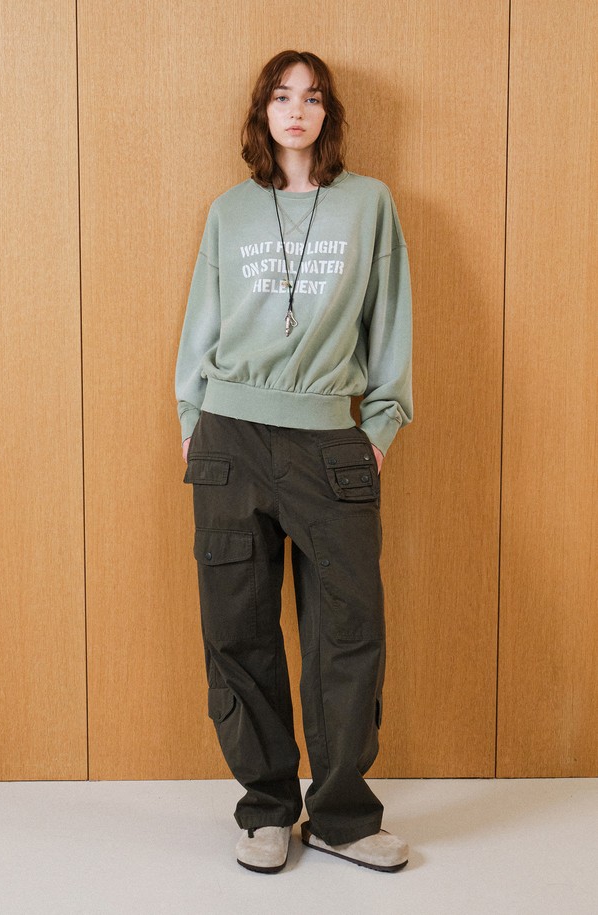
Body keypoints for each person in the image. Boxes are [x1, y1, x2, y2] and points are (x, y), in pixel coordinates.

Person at [175, 49, 413, 874]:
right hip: (230, 438)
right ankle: (267, 807)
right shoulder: (229, 211)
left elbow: (390, 321)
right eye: (283, 96)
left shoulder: (369, 204)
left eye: (312, 97)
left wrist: (378, 428)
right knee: (237, 629)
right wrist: (192, 420)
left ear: (328, 114)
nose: (298, 110)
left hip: (329, 443)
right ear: (264, 113)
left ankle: (342, 814)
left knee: (349, 630)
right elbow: (201, 324)